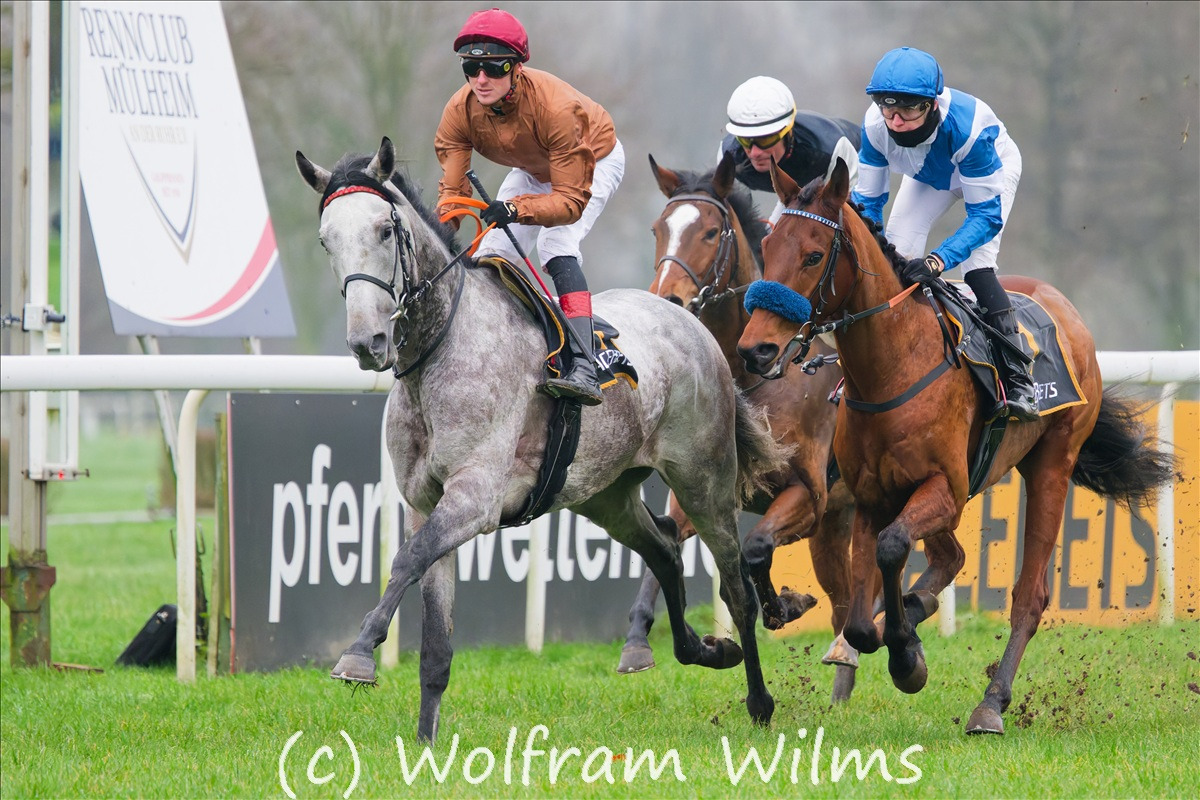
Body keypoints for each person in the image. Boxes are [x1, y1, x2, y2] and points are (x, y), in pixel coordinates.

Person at [435, 7, 625, 406]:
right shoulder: (459, 111)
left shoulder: (557, 109)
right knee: (492, 252)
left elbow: (569, 202)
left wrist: (516, 209)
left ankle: (584, 365)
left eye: (494, 68)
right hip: (534, 168)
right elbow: (451, 196)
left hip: (593, 160)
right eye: (471, 67)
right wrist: (436, 237)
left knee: (555, 244)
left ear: (517, 68)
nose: (481, 79)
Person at [849, 47, 1039, 421]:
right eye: (887, 109)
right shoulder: (873, 126)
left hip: (988, 169)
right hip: (929, 176)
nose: (896, 121)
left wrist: (937, 261)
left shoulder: (969, 129)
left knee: (976, 267)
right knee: (895, 260)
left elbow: (985, 217)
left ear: (932, 105)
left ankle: (1020, 380)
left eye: (908, 111)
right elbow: (867, 205)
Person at [718, 76, 861, 226]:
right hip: (796, 183)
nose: (755, 153)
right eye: (745, 140)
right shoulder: (729, 156)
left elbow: (847, 219)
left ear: (788, 132)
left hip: (860, 162)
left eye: (765, 140)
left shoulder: (831, 151)